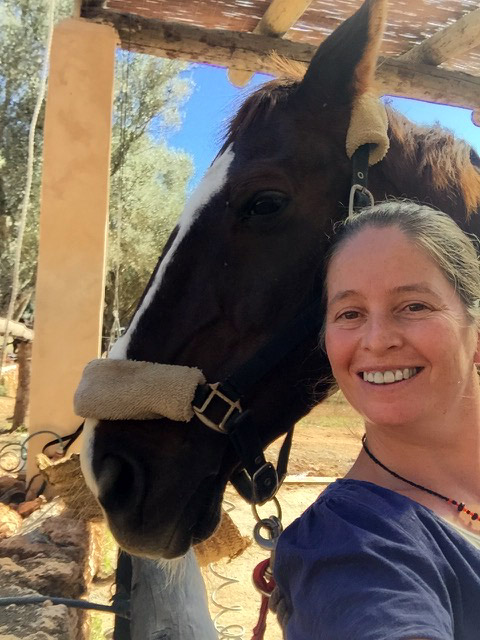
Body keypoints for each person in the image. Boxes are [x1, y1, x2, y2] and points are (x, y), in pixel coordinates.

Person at [273, 201, 480, 640]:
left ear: (475, 331)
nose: (378, 339)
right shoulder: (349, 545)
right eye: (350, 314)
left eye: (414, 306)